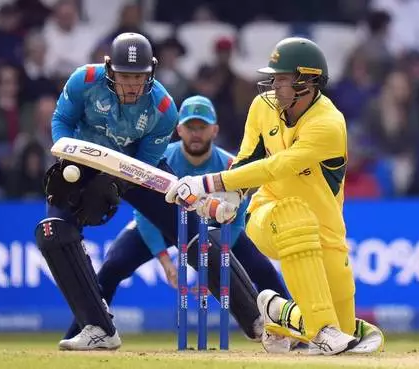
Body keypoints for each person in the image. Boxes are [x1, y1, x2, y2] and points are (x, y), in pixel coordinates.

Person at [36, 32, 272, 351]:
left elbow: (144, 163)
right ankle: (99, 328)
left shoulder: (163, 107)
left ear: (152, 72)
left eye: (139, 77)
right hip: (84, 162)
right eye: (125, 76)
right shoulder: (84, 80)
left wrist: (115, 183)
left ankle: (256, 321)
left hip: (139, 167)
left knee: (195, 234)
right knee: (53, 233)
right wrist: (67, 158)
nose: (132, 85)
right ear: (109, 69)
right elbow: (62, 121)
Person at [164, 37, 385, 355]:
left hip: (326, 230)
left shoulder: (328, 124)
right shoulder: (262, 107)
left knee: (347, 333)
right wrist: (233, 195)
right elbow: (249, 158)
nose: (272, 85)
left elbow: (278, 166)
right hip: (269, 214)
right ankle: (320, 330)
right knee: (293, 216)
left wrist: (208, 183)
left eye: (281, 79)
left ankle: (278, 311)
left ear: (306, 81)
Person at [60, 95, 289, 344]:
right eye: (190, 127)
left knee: (262, 268)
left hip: (211, 228)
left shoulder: (230, 164)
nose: (196, 134)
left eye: (202, 127)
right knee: (114, 265)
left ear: (215, 130)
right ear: (179, 129)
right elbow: (146, 212)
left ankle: (293, 327)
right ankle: (87, 330)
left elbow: (234, 223)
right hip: (159, 223)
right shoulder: (162, 158)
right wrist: (166, 261)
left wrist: (212, 261)